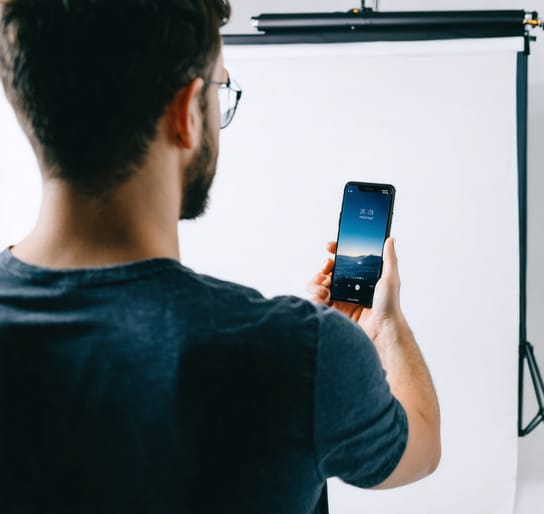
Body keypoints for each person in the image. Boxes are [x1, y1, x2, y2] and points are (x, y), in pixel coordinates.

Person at [0, 1, 440, 513]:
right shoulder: (301, 353)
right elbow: (422, 447)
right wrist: (385, 324)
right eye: (220, 91)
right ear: (188, 113)